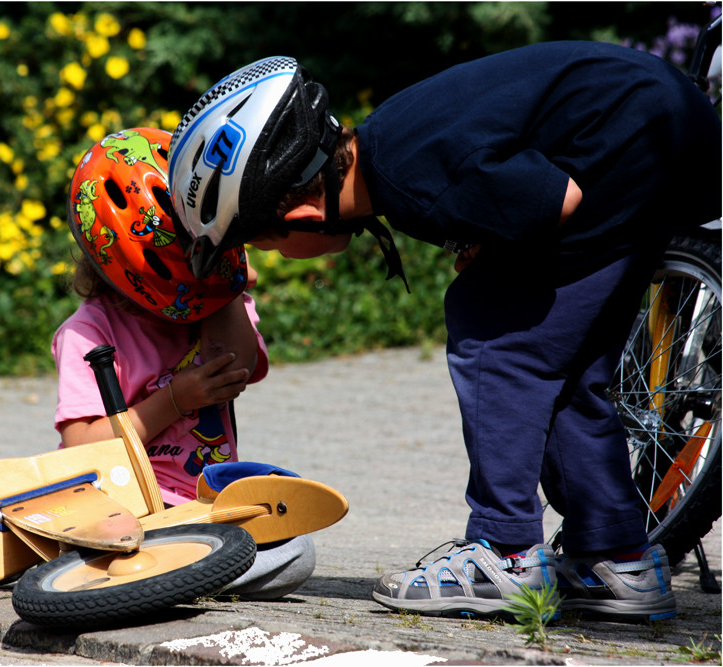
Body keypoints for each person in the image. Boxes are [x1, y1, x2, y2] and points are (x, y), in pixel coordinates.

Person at [166, 44, 721, 621]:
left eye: (267, 243)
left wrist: (498, 246)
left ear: (302, 217)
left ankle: (505, 553)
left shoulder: (408, 179)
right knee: (568, 364)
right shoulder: (392, 145)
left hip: (632, 141)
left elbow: (554, 199)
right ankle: (615, 558)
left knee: (494, 334)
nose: (278, 255)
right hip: (662, 123)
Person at [54, 127, 315, 599]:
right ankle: (150, 573)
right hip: (121, 508)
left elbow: (239, 366)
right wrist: (175, 400)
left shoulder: (213, 301)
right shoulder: (87, 332)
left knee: (296, 553)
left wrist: (226, 284)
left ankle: (160, 578)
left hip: (202, 504)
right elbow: (81, 449)